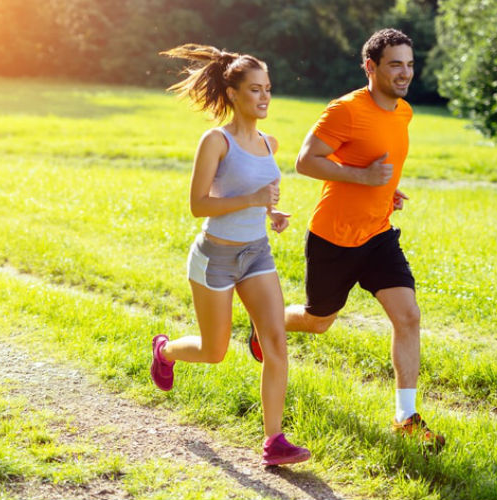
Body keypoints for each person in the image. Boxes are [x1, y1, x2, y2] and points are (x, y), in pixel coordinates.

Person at [247, 29, 445, 449]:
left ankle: (405, 416)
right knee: (319, 322)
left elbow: (375, 164)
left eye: (409, 64)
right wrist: (363, 178)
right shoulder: (345, 110)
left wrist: (385, 192)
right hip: (333, 238)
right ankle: (265, 325)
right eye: (395, 64)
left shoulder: (404, 113)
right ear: (370, 67)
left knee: (408, 316)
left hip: (377, 234)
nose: (405, 72)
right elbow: (305, 161)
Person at [150, 43, 311, 466]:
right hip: (215, 257)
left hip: (256, 254)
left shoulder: (268, 143)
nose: (264, 97)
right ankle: (164, 351)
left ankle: (274, 440)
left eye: (269, 89)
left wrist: (272, 212)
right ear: (234, 93)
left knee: (276, 344)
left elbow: (263, 192)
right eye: (255, 89)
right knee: (213, 350)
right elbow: (199, 205)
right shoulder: (215, 141)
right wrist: (252, 199)